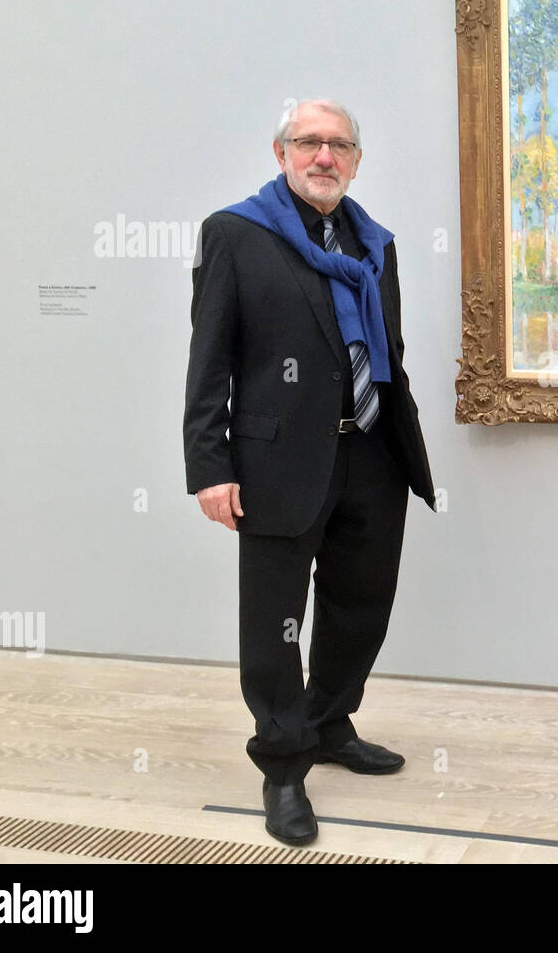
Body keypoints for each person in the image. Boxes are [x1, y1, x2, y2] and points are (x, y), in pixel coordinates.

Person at [183, 99, 435, 846]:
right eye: (308, 142)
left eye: (339, 145)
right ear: (281, 151)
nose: (324, 156)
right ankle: (284, 767)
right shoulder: (236, 234)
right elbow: (211, 360)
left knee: (361, 606)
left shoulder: (374, 242)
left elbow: (382, 353)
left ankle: (329, 723)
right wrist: (209, 465)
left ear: (356, 160)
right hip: (274, 463)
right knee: (275, 624)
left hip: (371, 453)